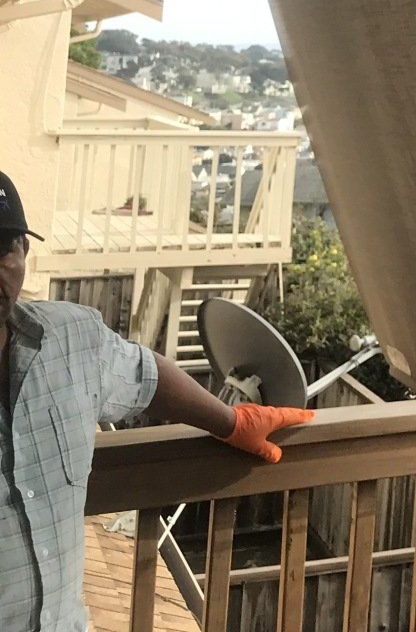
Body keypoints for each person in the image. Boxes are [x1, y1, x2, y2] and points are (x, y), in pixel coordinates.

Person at [0, 168, 314, 631]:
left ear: (24, 252)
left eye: (3, 245)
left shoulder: (70, 339)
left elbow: (147, 375)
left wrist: (231, 421)